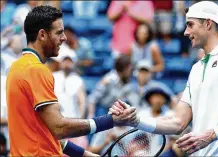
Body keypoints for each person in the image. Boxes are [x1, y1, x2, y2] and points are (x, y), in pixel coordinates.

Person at [109, 1, 218, 156]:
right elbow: (178, 122)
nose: (185, 32)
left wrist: (212, 134)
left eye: (190, 24)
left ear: (208, 24)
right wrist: (135, 120)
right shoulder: (196, 68)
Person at [6, 5, 136, 157]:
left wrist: (84, 154)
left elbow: (46, 132)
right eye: (59, 32)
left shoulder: (17, 67)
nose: (64, 38)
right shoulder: (36, 70)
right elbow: (59, 128)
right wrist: (111, 121)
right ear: (42, 34)